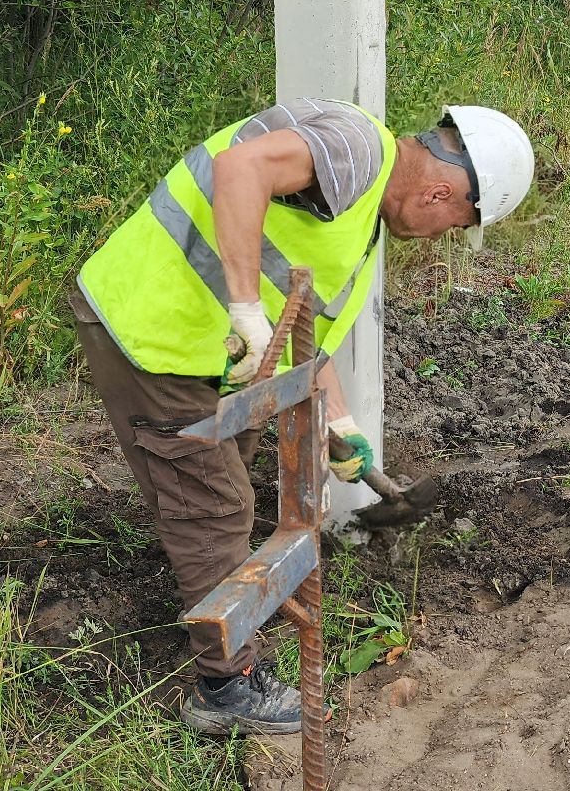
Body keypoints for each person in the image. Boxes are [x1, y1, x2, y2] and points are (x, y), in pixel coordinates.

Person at [68, 98, 534, 736]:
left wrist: (339, 422)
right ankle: (223, 687)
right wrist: (243, 308)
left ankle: (211, 567)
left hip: (208, 349)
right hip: (155, 332)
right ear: (439, 193)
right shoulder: (357, 151)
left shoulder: (361, 209)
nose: (444, 234)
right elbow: (239, 169)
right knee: (217, 502)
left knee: (229, 466)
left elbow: (304, 323)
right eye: (458, 223)